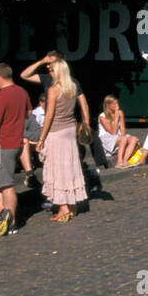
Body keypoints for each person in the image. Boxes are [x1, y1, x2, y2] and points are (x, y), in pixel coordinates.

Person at [35, 58, 89, 221]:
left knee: (57, 169)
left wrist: (41, 138)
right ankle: (72, 205)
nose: (49, 73)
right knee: (70, 166)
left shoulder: (53, 90)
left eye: (51, 70)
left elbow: (49, 116)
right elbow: (82, 105)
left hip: (56, 132)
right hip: (69, 130)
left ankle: (63, 208)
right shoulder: (71, 87)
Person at [0, 63, 31, 236]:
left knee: (6, 185)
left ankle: (11, 222)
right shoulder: (22, 92)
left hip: (2, 146)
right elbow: (28, 113)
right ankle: (1, 216)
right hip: (16, 143)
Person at [98, 95, 138, 169]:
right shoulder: (102, 117)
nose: (117, 106)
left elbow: (122, 130)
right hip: (107, 137)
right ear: (108, 105)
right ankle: (119, 162)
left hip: (118, 136)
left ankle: (125, 160)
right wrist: (116, 117)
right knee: (123, 139)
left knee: (133, 139)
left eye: (117, 103)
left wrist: (123, 136)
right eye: (115, 104)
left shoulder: (120, 112)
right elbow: (113, 133)